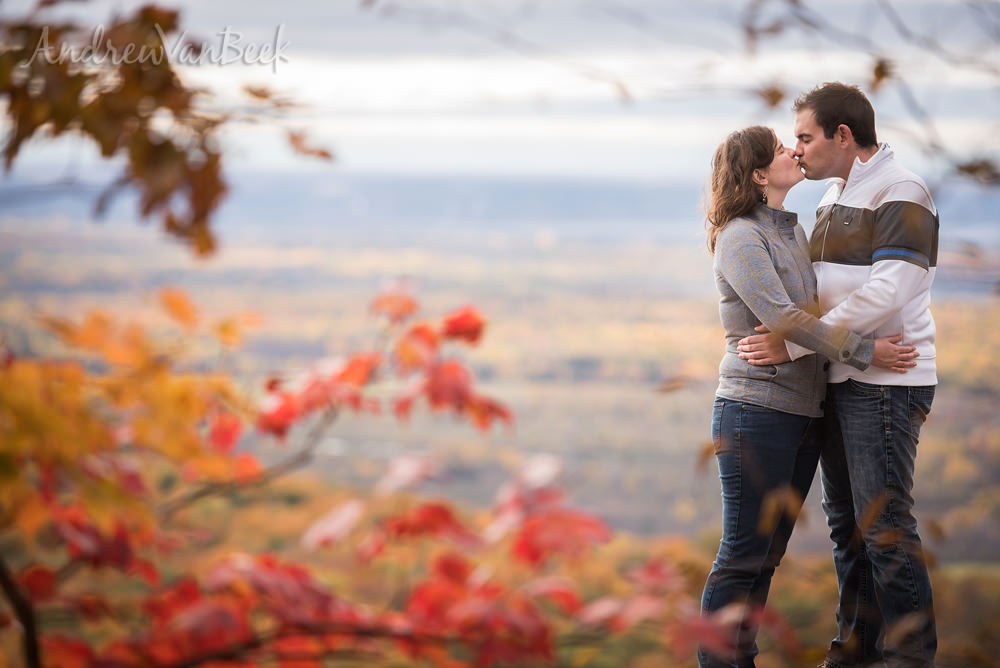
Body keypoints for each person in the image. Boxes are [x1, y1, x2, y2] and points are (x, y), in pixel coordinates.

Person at [737, 83, 939, 668]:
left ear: (843, 136)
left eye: (805, 137)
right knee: (849, 529)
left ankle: (909, 656)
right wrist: (816, 346)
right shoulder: (833, 196)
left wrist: (797, 345)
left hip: (886, 382)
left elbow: (888, 291)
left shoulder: (903, 191)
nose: (796, 151)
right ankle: (855, 651)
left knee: (885, 525)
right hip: (845, 374)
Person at [700, 125, 914, 668]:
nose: (792, 151)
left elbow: (809, 318)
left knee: (767, 556)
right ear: (756, 174)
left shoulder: (790, 230)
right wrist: (865, 350)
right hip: (755, 411)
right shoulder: (742, 234)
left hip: (800, 412)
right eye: (779, 150)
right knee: (743, 553)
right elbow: (783, 318)